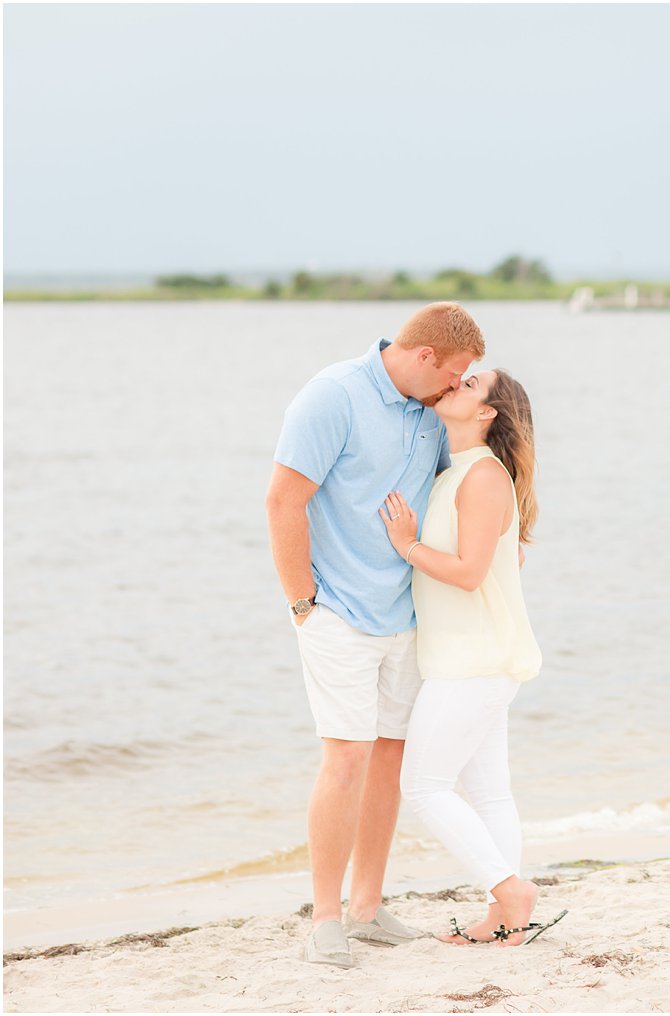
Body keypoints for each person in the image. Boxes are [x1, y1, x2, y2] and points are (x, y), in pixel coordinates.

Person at [267, 302, 485, 968]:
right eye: (453, 375)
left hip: (408, 614)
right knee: (348, 759)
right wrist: (303, 602)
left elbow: (469, 481)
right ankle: (325, 919)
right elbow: (283, 499)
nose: (456, 388)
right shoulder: (333, 395)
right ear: (424, 357)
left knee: (391, 758)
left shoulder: (430, 411)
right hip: (337, 613)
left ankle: (366, 907)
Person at [379, 368, 563, 947]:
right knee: (489, 793)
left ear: (488, 413)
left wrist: (407, 545)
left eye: (470, 383)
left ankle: (510, 889)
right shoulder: (459, 471)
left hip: (474, 660)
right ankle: (504, 918)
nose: (455, 383)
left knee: (425, 786)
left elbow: (468, 573)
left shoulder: (482, 477)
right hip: (475, 657)